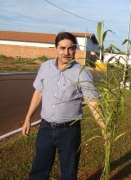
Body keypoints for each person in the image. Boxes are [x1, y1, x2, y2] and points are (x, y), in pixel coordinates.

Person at [22, 31, 104, 180]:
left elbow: (92, 103)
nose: (66, 52)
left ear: (75, 50)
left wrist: (104, 126)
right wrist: (28, 118)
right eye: (62, 48)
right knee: (39, 169)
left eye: (70, 48)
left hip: (69, 132)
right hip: (45, 129)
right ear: (56, 49)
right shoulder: (45, 67)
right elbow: (38, 93)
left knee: (68, 173)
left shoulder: (82, 73)